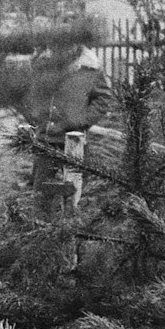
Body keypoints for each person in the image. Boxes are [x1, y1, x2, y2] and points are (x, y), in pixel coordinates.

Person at [21, 43, 112, 211]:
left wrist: (80, 120)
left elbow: (103, 99)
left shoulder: (89, 68)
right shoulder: (43, 63)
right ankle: (43, 226)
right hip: (46, 139)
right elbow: (28, 93)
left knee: (73, 192)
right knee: (42, 193)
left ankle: (69, 225)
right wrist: (36, 116)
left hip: (74, 140)